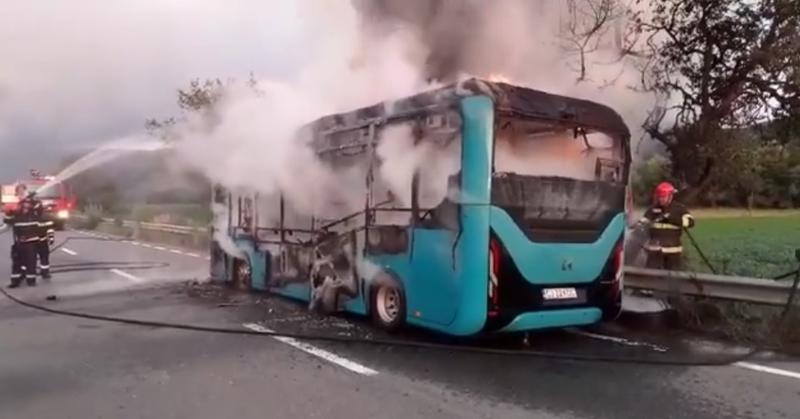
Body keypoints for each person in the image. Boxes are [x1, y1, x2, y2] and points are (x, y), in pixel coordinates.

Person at [639, 181, 695, 271]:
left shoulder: (679, 209)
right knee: (651, 278)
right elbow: (643, 222)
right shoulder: (653, 209)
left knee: (672, 279)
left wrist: (671, 218)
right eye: (659, 197)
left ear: (670, 196)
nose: (661, 199)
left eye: (663, 197)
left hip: (672, 252)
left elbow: (690, 222)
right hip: (655, 251)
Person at [4, 195, 41, 288]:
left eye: (28, 205)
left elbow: (39, 206)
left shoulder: (34, 214)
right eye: (24, 205)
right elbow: (6, 222)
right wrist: (9, 211)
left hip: (31, 244)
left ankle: (31, 280)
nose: (26, 207)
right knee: (16, 263)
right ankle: (15, 281)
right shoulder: (16, 215)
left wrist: (32, 198)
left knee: (31, 262)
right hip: (19, 243)